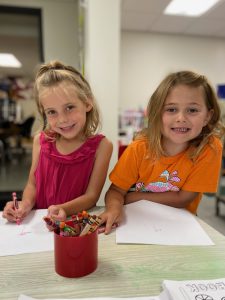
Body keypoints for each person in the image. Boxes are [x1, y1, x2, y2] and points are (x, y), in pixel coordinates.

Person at [100, 70, 225, 234]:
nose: (181, 118)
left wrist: (133, 197)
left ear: (208, 116)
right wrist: (113, 208)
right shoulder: (140, 147)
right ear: (158, 113)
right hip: (135, 222)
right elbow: (116, 192)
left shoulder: (210, 148)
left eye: (192, 110)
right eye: (171, 109)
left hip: (180, 225)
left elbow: (184, 199)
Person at [3, 60, 113, 223]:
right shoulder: (40, 141)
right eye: (52, 112)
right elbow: (33, 185)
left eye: (69, 107)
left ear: (87, 103)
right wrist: (24, 205)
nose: (63, 119)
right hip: (40, 225)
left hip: (74, 225)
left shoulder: (102, 147)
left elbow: (91, 196)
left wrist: (64, 209)